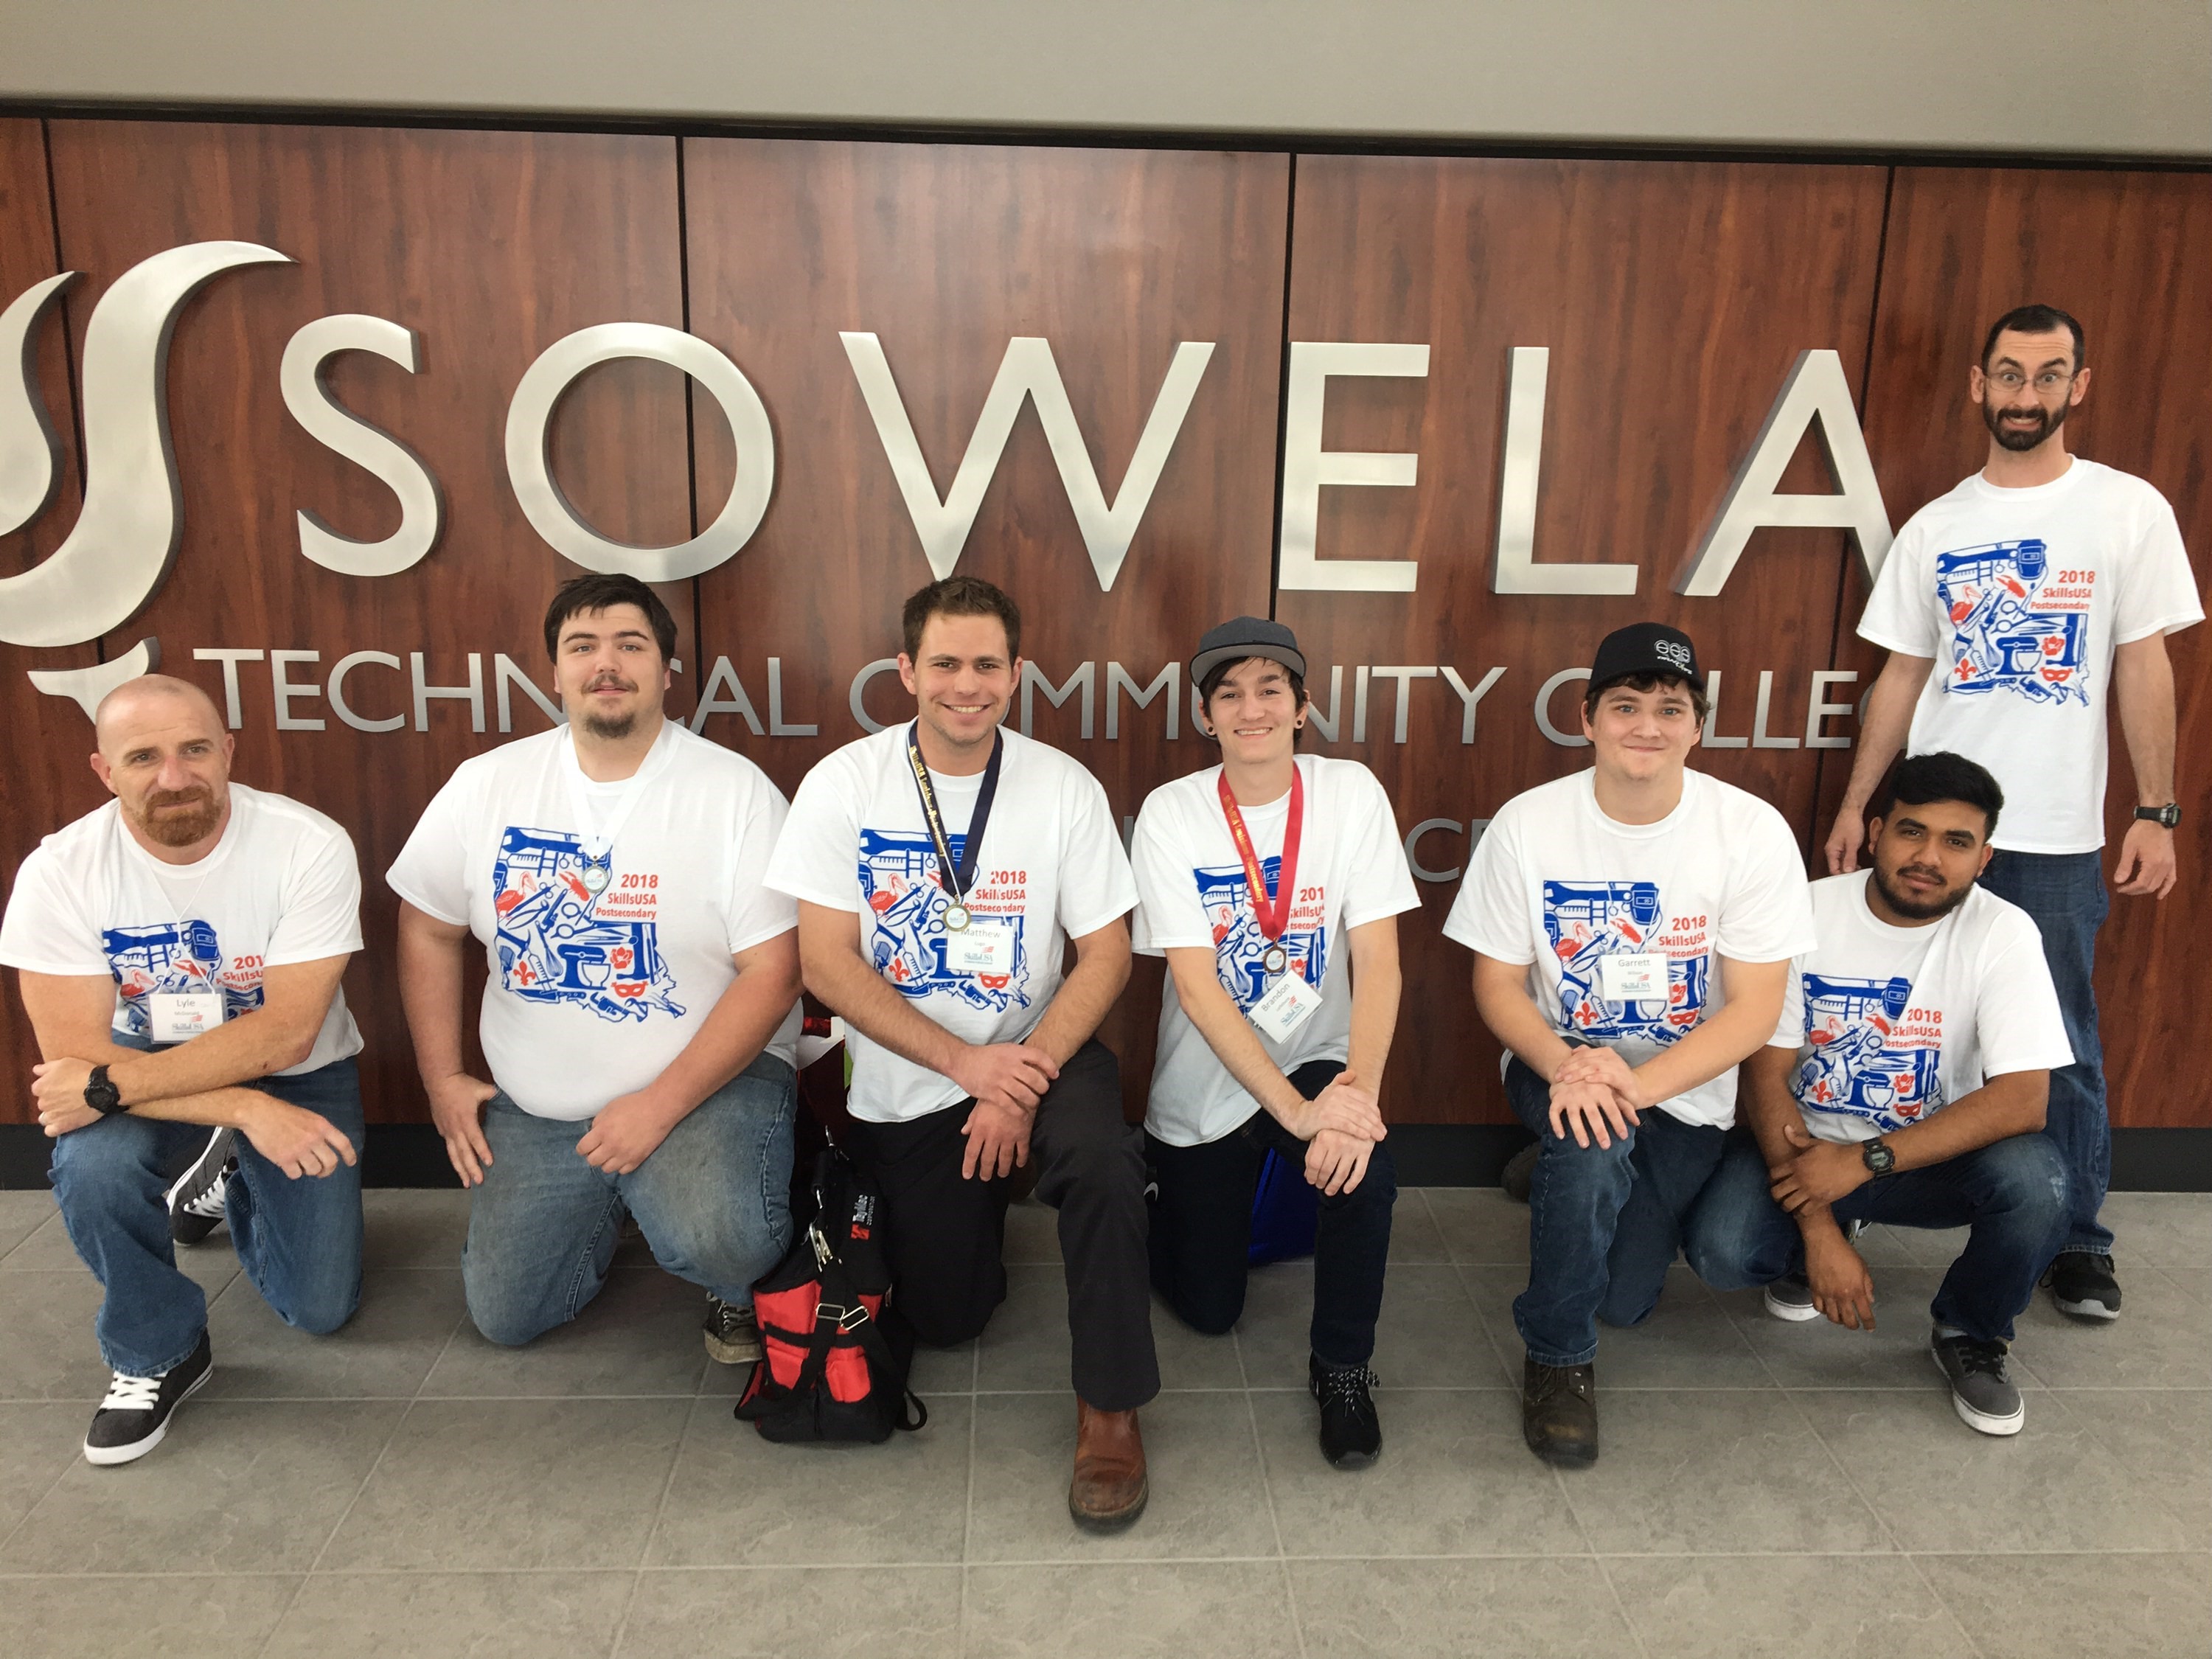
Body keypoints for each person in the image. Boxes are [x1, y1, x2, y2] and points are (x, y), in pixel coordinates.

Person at [1823, 305, 2201, 1323]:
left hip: (2052, 837)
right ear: (1978, 385)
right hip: (1923, 832)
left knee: (2060, 1040)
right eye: (2009, 374)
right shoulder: (1939, 525)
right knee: (1888, 1018)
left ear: (2079, 386)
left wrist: (2156, 808)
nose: (2025, 394)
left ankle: (2075, 1237)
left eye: (2047, 375)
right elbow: (1901, 675)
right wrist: (1862, 803)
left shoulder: (2126, 511)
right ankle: (1853, 1191)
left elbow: (2144, 665)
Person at [765, 575, 1157, 1530]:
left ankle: (1110, 1409)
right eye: (945, 662)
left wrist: (1015, 1077)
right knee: (949, 1317)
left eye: (988, 663)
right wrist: (964, 1067)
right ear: (906, 670)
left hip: (1039, 1051)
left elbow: (1107, 954)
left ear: (1017, 674)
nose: (966, 683)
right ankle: (981, 1201)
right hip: (912, 1079)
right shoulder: (845, 785)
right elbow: (824, 958)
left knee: (1104, 1164)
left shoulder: (1062, 785)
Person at [388, 574, 801, 1362]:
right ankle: (615, 1199)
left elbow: (774, 974)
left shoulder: (733, 792)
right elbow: (428, 929)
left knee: (726, 1239)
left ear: (668, 670)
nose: (605, 664)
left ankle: (725, 1278)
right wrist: (441, 1080)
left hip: (704, 1088)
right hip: (541, 1107)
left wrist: (657, 1106)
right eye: (583, 647)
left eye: (630, 645)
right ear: (554, 671)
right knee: (506, 1317)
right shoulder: (487, 785)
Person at [1444, 623, 1815, 1467]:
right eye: (1625, 705)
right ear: (1587, 718)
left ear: (1698, 725)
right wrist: (1571, 1067)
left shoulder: (1750, 833)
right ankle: (1558, 1359)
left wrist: (1632, 1088)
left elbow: (1755, 1011)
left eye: (1670, 708)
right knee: (1589, 1145)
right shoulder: (1528, 825)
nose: (1647, 725)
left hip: (1683, 1088)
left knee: (1626, 1297)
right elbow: (1496, 985)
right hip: (1556, 1059)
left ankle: (1573, 1180)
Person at [0, 675, 366, 1464]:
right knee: (92, 1164)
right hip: (145, 1066)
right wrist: (246, 1111)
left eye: (194, 749)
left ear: (228, 751)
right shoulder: (61, 872)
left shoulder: (307, 843)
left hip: (292, 1073)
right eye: (145, 757)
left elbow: (289, 1035)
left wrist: (116, 1088)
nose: (175, 776)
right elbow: (79, 1053)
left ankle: (221, 1177)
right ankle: (157, 1349)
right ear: (105, 771)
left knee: (320, 1307)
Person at [1688, 753, 2073, 1436]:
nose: (1929, 857)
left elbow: (2023, 1101)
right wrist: (1816, 1227)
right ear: (1874, 833)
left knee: (2038, 1181)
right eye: (1911, 832)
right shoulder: (1804, 910)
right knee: (1725, 1253)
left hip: (1918, 1157)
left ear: (1983, 858)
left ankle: (1970, 1332)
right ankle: (1824, 1236)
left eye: (1956, 843)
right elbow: (1763, 1074)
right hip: (1800, 1146)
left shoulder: (2003, 931)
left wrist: (1865, 1162)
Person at [1130, 618, 1414, 1470]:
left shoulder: (1351, 792)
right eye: (1229, 694)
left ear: (1301, 707)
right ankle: (1159, 1202)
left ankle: (1343, 1370)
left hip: (1317, 1056)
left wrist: (1352, 1100)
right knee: (1211, 1309)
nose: (1250, 708)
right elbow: (1195, 984)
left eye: (1270, 690)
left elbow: (1380, 960)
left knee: (1366, 1173)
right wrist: (1294, 1115)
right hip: (1206, 1076)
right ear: (1206, 717)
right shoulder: (1174, 813)